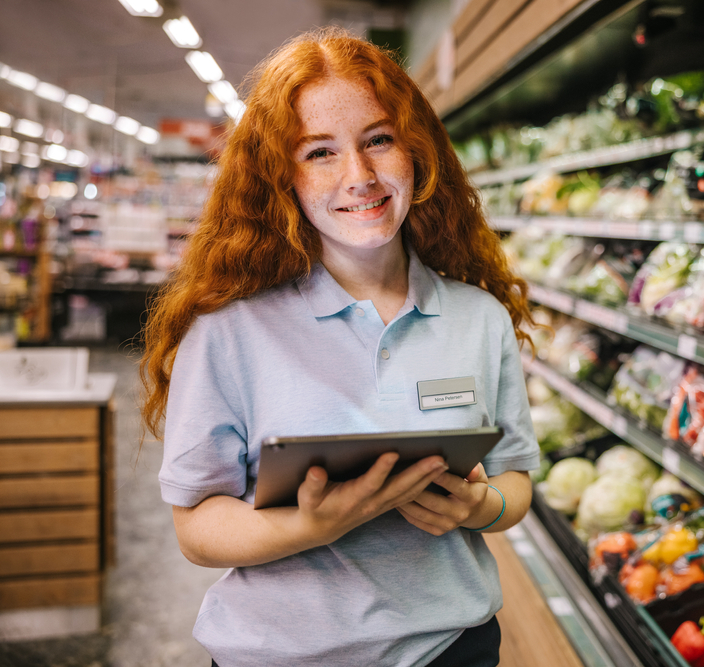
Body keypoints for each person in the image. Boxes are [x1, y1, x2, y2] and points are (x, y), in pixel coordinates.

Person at [139, 26, 540, 667]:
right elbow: (196, 527)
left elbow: (515, 479)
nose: (359, 176)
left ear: (415, 150)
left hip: (450, 649)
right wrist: (312, 526)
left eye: (378, 140)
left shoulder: (478, 318)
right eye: (320, 152)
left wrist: (478, 506)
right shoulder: (230, 331)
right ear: (283, 177)